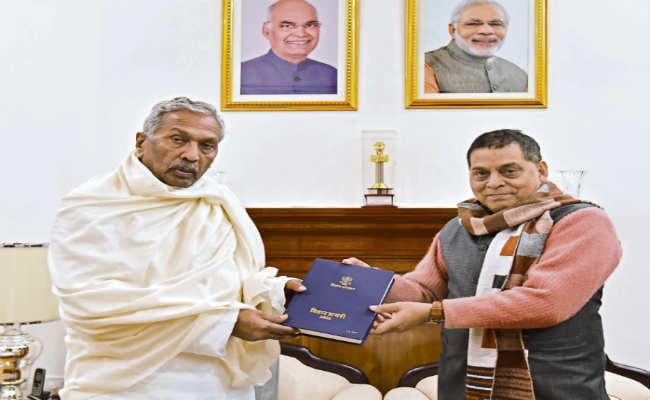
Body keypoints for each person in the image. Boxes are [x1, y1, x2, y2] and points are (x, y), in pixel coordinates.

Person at [49, 97, 305, 400]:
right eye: (178, 139)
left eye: (207, 146)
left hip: (219, 385)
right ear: (141, 142)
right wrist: (226, 323)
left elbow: (230, 281)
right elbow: (90, 303)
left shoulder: (218, 202)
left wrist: (275, 292)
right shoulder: (92, 206)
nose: (191, 155)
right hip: (124, 385)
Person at [345, 129, 621, 399]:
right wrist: (376, 283)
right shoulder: (457, 228)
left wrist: (435, 313)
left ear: (541, 170)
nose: (494, 183)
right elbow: (425, 290)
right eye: (481, 173)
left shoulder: (582, 222)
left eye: (509, 171)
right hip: (464, 386)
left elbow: (546, 302)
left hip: (556, 387)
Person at [424, 0, 527, 93]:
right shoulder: (425, 66)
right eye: (473, 23)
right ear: (453, 30)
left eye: (496, 24)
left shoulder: (519, 75)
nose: (486, 31)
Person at [240, 0, 337, 95]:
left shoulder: (332, 75)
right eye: (287, 26)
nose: (301, 34)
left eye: (310, 25)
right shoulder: (242, 74)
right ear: (266, 31)